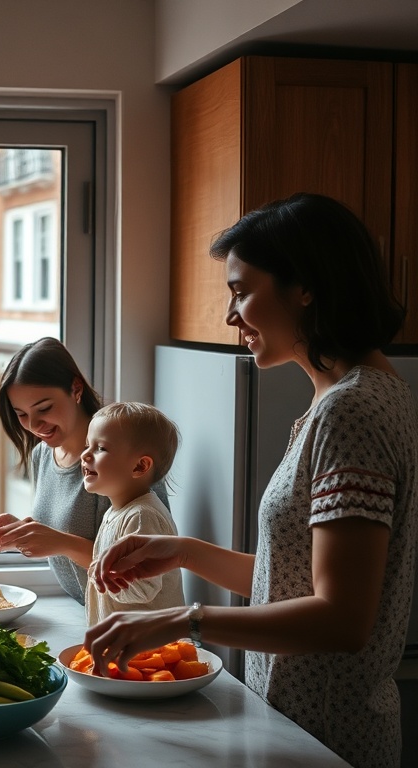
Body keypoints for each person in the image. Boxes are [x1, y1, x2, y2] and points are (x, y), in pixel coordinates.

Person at [83, 193, 417, 768]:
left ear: (305, 286)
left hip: (329, 737)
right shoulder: (339, 401)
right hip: (295, 724)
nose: (230, 315)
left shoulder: (352, 410)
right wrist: (182, 552)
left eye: (241, 290)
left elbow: (341, 617)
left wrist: (185, 619)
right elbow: (288, 581)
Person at [0, 337, 170, 604]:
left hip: (143, 623)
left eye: (44, 408)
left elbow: (151, 561)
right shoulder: (42, 455)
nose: (34, 425)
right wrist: (22, 534)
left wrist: (60, 542)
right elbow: (65, 535)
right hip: (92, 613)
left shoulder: (120, 456)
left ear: (76, 389)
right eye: (21, 414)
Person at [80, 402, 184, 624]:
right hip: (125, 645)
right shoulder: (115, 512)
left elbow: (144, 589)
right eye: (87, 445)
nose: (85, 455)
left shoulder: (142, 516)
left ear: (139, 467)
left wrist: (101, 577)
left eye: (100, 448)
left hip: (152, 650)